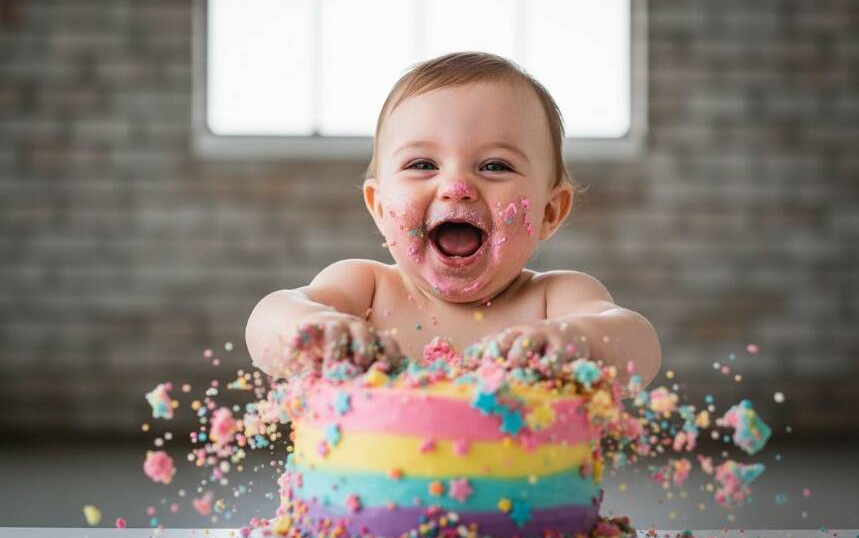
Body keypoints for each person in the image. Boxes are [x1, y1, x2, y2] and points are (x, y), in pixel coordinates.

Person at [245, 51, 661, 391]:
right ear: (379, 206)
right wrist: (313, 327)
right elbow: (268, 320)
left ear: (549, 211)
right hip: (364, 496)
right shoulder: (366, 289)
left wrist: (576, 341)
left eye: (495, 166)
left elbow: (639, 348)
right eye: (423, 164)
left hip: (527, 496)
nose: (457, 186)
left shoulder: (554, 300)